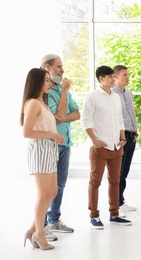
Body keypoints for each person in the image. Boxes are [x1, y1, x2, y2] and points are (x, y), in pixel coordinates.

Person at [81, 65, 131, 229]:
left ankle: (114, 214)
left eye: (113, 76)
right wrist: (95, 141)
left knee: (115, 181)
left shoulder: (115, 97)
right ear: (101, 79)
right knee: (95, 182)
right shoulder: (92, 97)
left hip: (116, 147)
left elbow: (119, 120)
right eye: (110, 76)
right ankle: (94, 216)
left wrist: (123, 138)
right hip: (100, 146)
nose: (113, 79)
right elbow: (85, 121)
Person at [21, 68, 65, 250]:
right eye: (46, 81)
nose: (49, 83)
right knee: (43, 194)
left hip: (49, 149)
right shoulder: (32, 103)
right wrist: (52, 135)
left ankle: (32, 230)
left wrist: (53, 137)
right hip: (40, 149)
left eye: (49, 80)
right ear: (37, 82)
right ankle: (40, 232)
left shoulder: (42, 103)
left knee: (52, 191)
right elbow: (27, 132)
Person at [40, 54, 80, 240]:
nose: (63, 70)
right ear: (47, 68)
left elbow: (76, 113)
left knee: (60, 185)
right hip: (51, 145)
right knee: (47, 188)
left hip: (65, 142)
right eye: (59, 67)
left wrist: (62, 114)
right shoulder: (44, 90)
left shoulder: (61, 88)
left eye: (62, 67)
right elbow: (57, 116)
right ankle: (43, 225)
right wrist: (64, 93)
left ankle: (54, 219)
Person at [112, 65, 138, 217]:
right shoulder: (112, 95)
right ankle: (115, 205)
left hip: (131, 136)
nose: (127, 77)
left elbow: (131, 114)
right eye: (124, 75)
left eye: (128, 74)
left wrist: (135, 131)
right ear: (115, 77)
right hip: (120, 138)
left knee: (125, 171)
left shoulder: (128, 93)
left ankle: (121, 201)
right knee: (118, 172)